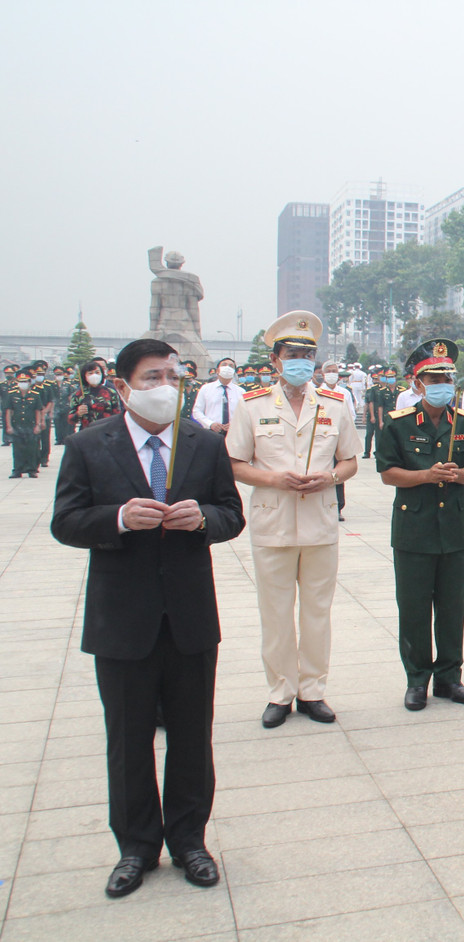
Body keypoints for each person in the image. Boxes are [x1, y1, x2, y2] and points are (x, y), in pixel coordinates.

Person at [51, 338, 245, 899]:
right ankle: (136, 847)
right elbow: (66, 521)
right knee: (129, 737)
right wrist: (117, 517)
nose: (165, 386)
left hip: (188, 616)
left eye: (173, 376)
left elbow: (230, 514)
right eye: (152, 376)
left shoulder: (203, 444)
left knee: (191, 734)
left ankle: (190, 841)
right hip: (123, 618)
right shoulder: (89, 446)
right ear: (122, 385)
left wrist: (202, 518)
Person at [225, 312, 360, 728]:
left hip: (320, 521)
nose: (302, 360)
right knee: (277, 613)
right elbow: (234, 462)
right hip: (273, 521)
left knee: (317, 612)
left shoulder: (335, 405)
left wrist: (331, 477)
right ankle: (280, 692)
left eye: (308, 354)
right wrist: (273, 479)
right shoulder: (251, 404)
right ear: (276, 358)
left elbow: (351, 460)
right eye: (293, 353)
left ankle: (313, 691)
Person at [377, 339, 464, 711]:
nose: (442, 384)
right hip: (414, 529)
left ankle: (450, 678)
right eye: (433, 378)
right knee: (414, 608)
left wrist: (457, 476)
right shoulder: (398, 425)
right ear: (417, 384)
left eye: (447, 377)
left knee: (452, 607)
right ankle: (417, 679)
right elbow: (388, 473)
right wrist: (426, 476)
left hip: (454, 528)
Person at [318, 361, 357, 520]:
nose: (332, 373)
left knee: (340, 471)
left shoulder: (345, 392)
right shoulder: (316, 392)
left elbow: (351, 414)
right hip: (321, 438)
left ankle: (338, 507)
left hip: (339, 437)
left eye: (334, 371)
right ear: (323, 374)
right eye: (329, 371)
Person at [69, 358, 125, 432]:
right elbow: (71, 420)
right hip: (87, 433)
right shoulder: (78, 394)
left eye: (97, 372)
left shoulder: (111, 392)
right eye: (90, 373)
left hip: (107, 432)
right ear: (84, 375)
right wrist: (78, 413)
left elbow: (117, 414)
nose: (94, 375)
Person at [5, 368, 43, 478]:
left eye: (25, 381)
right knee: (17, 449)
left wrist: (38, 424)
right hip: (17, 426)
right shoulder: (12, 394)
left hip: (30, 425)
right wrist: (8, 426)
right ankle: (17, 470)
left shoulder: (35, 394)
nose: (23, 383)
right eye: (21, 381)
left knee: (31, 448)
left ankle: (32, 470)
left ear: (29, 382)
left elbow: (38, 411)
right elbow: (8, 411)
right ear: (17, 382)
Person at [191, 357, 244, 434]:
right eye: (224, 365)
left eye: (231, 366)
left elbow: (245, 414)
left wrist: (235, 424)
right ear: (217, 370)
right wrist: (210, 424)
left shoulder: (241, 392)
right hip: (210, 432)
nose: (227, 368)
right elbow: (197, 411)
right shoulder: (206, 389)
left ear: (234, 372)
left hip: (233, 433)